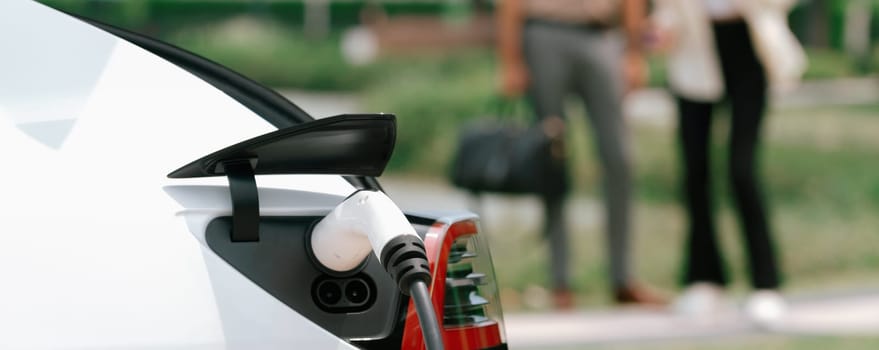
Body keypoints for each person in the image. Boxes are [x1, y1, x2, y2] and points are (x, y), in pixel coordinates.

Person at [497, 0, 665, 308]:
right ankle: (560, 280)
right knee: (552, 158)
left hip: (601, 36)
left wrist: (634, 52)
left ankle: (623, 277)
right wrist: (511, 60)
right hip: (544, 34)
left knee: (619, 158)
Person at [650, 0, 807, 325]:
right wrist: (661, 28)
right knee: (695, 171)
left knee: (742, 169)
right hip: (693, 52)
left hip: (750, 46)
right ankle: (704, 279)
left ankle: (766, 283)